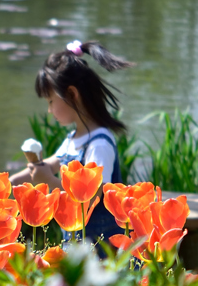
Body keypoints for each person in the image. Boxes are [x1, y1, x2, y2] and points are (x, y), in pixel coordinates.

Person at [10, 39, 134, 245]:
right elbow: (48, 164)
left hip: (101, 248)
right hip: (76, 243)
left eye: (51, 101)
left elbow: (90, 200)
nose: (49, 110)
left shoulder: (99, 144)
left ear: (72, 94)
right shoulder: (74, 138)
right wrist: (10, 183)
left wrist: (50, 182)